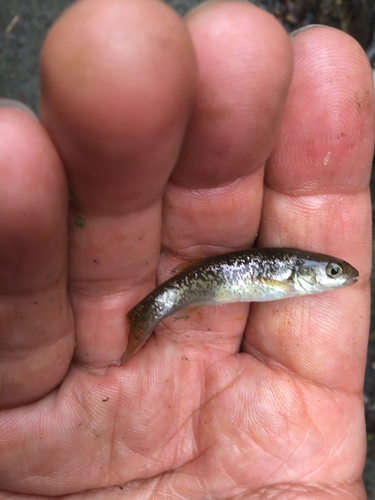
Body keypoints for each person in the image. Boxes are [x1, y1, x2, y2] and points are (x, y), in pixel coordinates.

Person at [0, 0, 373, 497]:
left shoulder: (288, 278)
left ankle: (149, 315)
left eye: (331, 273)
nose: (334, 278)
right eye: (329, 273)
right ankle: (148, 314)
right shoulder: (284, 275)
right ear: (302, 271)